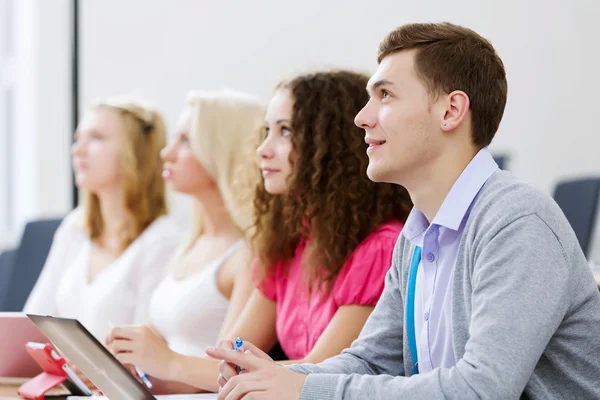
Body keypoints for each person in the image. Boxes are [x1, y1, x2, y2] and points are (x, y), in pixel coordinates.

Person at [208, 22, 600, 399]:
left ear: (451, 112)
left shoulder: (517, 221)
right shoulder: (416, 237)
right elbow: (370, 363)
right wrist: (271, 378)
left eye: (386, 96)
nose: (362, 117)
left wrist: (303, 390)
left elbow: (482, 391)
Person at [111, 70, 412, 393]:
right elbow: (228, 361)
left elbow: (321, 372)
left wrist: (172, 362)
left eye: (285, 131)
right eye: (268, 131)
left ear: (332, 146)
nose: (263, 150)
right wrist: (137, 370)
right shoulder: (288, 246)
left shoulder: (380, 248)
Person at [106, 90, 264, 393]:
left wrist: (160, 364)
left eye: (186, 141)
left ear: (221, 152)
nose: (167, 153)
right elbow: (158, 350)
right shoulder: (191, 244)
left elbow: (231, 368)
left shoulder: (248, 255)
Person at [24, 96, 180, 342]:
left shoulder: (162, 241)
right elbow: (33, 322)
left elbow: (143, 354)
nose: (78, 150)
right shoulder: (74, 228)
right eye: (78, 139)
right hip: (62, 377)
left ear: (135, 152)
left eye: (96, 138)